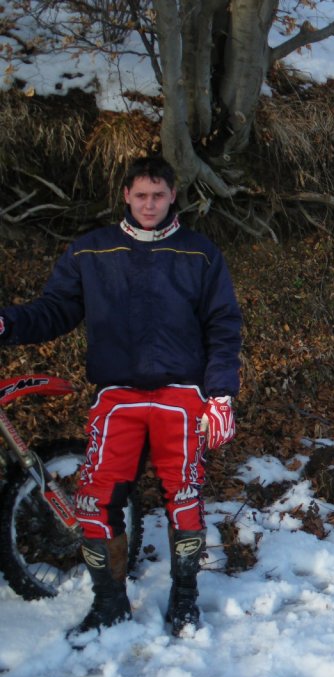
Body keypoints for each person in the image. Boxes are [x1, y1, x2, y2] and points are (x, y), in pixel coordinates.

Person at [0, 155, 242, 641]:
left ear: (173, 196)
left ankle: (185, 600)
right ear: (126, 196)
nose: (149, 205)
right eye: (141, 195)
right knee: (94, 500)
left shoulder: (199, 253)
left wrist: (221, 395)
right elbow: (54, 310)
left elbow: (223, 324)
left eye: (158, 195)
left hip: (182, 394)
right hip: (118, 395)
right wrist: (7, 323)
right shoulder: (91, 251)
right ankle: (109, 605)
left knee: (185, 499)